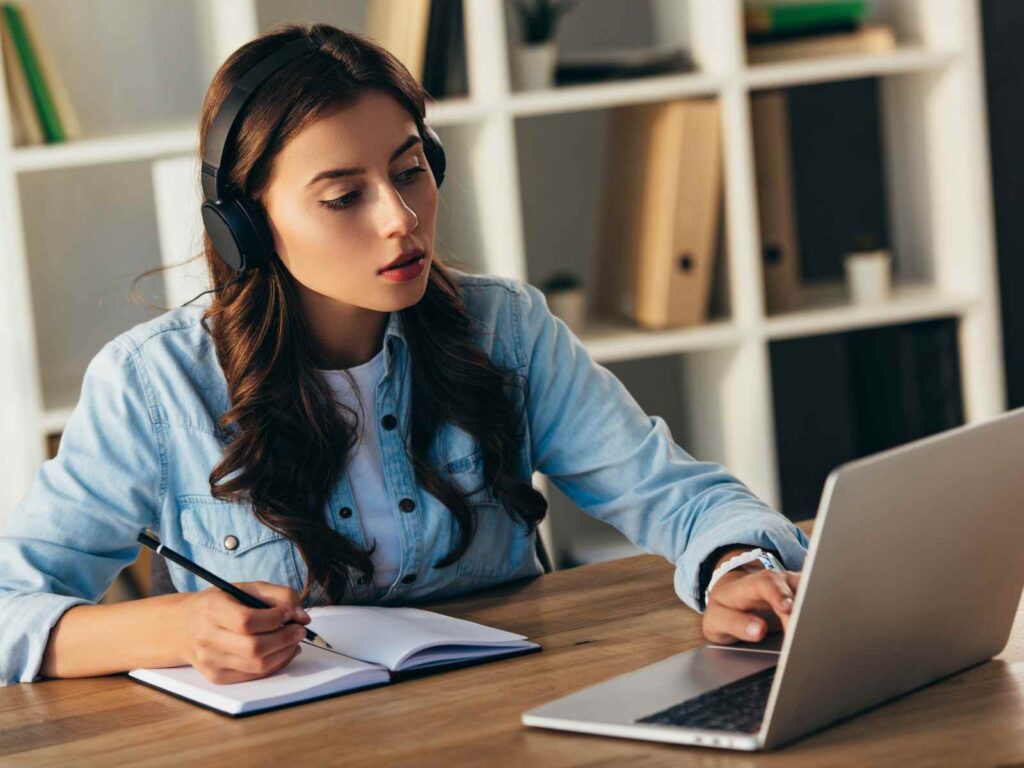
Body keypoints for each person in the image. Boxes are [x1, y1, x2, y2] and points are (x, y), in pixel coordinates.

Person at [0, 23, 809, 687]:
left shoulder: (507, 330)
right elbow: (9, 610)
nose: (400, 219)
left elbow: (678, 494)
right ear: (244, 226)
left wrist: (736, 564)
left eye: (411, 171)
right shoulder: (153, 385)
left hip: (501, 719)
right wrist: (172, 627)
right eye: (344, 196)